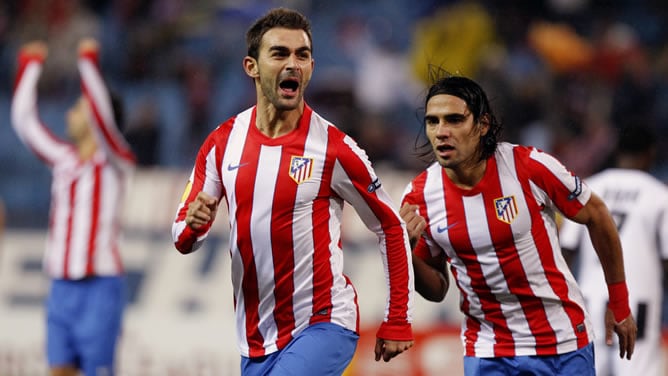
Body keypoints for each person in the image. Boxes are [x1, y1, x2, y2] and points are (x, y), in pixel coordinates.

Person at [171, 8, 414, 376]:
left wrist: (398, 317)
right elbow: (182, 237)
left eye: (302, 55)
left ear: (313, 66)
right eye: (280, 53)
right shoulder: (221, 144)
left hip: (324, 323)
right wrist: (194, 223)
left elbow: (391, 227)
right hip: (256, 341)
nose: (293, 64)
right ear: (251, 66)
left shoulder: (335, 148)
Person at [399, 73, 637, 375]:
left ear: (482, 125)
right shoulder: (419, 197)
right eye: (433, 121)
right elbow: (436, 288)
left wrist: (619, 301)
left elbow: (598, 215)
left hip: (560, 342)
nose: (441, 132)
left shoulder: (529, 166)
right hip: (487, 349)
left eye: (455, 120)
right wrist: (405, 248)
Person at [11, 39, 136, 376]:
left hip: (99, 285)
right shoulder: (63, 159)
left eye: (78, 106)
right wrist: (30, 66)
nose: (70, 112)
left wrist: (87, 62)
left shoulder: (115, 160)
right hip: (61, 287)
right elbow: (24, 122)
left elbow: (101, 113)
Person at [560, 125, 668, 376]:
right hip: (637, 307)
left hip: (588, 303)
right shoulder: (660, 195)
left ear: (617, 151)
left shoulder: (589, 187)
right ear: (650, 153)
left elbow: (566, 250)